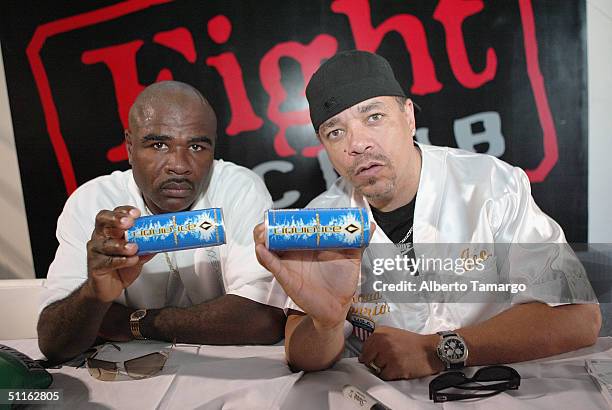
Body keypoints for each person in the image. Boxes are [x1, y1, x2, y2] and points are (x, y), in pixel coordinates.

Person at [254, 50, 601, 380]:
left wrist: (438, 350)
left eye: (374, 117)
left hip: (500, 387)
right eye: (336, 132)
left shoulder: (489, 185)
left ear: (408, 117)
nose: (356, 144)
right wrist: (325, 325)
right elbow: (301, 355)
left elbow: (579, 317)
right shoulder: (321, 221)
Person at [38, 81, 286, 363]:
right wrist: (95, 295)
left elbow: (263, 319)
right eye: (158, 144)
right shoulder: (94, 202)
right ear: (130, 147)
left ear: (213, 148)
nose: (179, 164)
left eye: (196, 146)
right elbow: (53, 343)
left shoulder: (238, 188)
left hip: (226, 373)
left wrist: (129, 323)